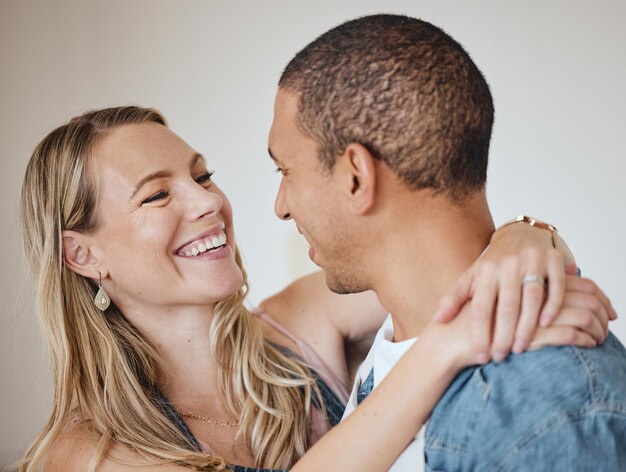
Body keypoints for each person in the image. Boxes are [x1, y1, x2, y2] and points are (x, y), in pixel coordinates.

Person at [17, 105, 611, 472]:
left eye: (202, 176)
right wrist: (442, 348)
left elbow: (438, 258)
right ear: (83, 254)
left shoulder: (296, 324)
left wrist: (524, 239)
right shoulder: (88, 454)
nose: (208, 203)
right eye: (157, 194)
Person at [269, 13, 626, 471]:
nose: (281, 206)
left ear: (356, 178)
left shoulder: (549, 406)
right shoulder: (396, 345)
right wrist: (532, 229)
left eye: (285, 170)